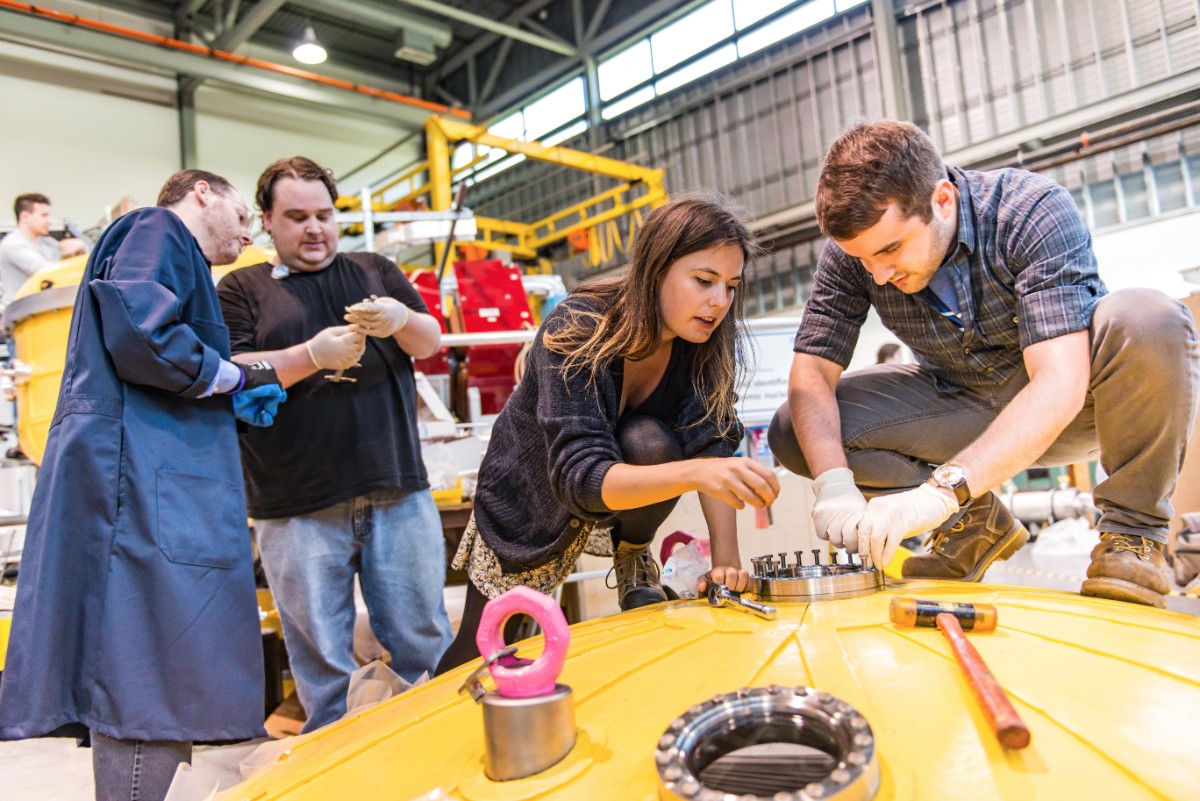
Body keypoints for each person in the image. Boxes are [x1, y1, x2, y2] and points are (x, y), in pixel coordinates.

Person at [768, 120, 1200, 609]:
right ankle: (973, 527)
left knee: (1149, 317)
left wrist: (937, 493)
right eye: (864, 259)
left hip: (1077, 402)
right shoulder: (856, 255)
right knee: (793, 427)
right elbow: (811, 376)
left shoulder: (1029, 210)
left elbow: (1059, 380)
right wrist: (834, 484)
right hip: (963, 405)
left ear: (943, 200)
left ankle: (1132, 538)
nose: (880, 275)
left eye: (891, 249)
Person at [0, 170, 286, 801]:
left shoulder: (181, 263)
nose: (250, 231)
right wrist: (229, 379)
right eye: (244, 214)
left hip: (149, 476)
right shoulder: (157, 228)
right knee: (147, 664)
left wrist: (219, 399)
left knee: (158, 665)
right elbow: (142, 331)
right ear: (204, 193)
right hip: (137, 487)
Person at [436, 194, 781, 674]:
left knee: (650, 441)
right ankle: (431, 716)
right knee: (488, 650)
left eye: (730, 286)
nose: (719, 302)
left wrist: (727, 562)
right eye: (704, 281)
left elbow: (712, 442)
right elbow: (582, 475)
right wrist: (701, 471)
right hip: (528, 497)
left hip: (620, 491)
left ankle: (632, 552)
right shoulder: (580, 325)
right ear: (655, 269)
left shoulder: (702, 342)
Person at [217, 156, 453, 732]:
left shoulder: (375, 270)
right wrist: (309, 357)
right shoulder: (241, 288)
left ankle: (439, 753)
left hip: (396, 490)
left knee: (426, 644)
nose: (315, 228)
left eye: (324, 214)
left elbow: (429, 343)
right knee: (322, 665)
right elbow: (232, 369)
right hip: (294, 504)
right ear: (267, 221)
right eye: (296, 216)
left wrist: (400, 316)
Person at [0, 193, 87, 310]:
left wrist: (80, 249)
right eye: (44, 215)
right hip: (19, 317)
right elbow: (46, 272)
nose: (49, 221)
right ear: (25, 217)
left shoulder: (48, 243)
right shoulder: (12, 245)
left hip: (42, 310)